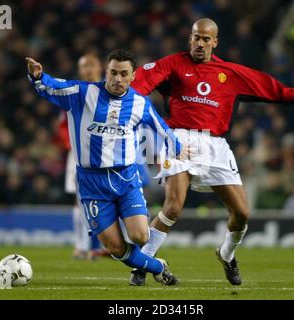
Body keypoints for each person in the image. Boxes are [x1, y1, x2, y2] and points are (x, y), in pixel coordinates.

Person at [129, 18, 294, 286]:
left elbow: (269, 88)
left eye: (205, 39)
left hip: (216, 146)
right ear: (190, 39)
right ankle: (142, 263)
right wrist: (123, 97)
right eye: (196, 37)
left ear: (215, 42)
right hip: (179, 140)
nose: (200, 43)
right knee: (174, 206)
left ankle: (227, 254)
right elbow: (141, 81)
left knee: (242, 213)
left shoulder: (230, 73)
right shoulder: (173, 64)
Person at [26, 49, 185, 285]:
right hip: (91, 182)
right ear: (106, 72)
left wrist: (178, 147)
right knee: (114, 247)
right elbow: (52, 87)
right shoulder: (82, 93)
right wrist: (39, 77)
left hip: (126, 178)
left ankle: (142, 261)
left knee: (140, 235)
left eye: (123, 74)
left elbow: (162, 129)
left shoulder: (140, 103)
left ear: (132, 77)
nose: (117, 79)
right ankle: (157, 266)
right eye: (113, 73)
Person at [57, 52, 109, 260]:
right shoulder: (73, 92)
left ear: (101, 67)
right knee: (80, 201)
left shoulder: (109, 91)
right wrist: (73, 144)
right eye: (84, 66)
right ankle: (81, 246)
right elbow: (63, 125)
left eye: (91, 65)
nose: (87, 69)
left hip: (105, 152)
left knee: (106, 199)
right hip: (79, 155)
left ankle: (101, 245)